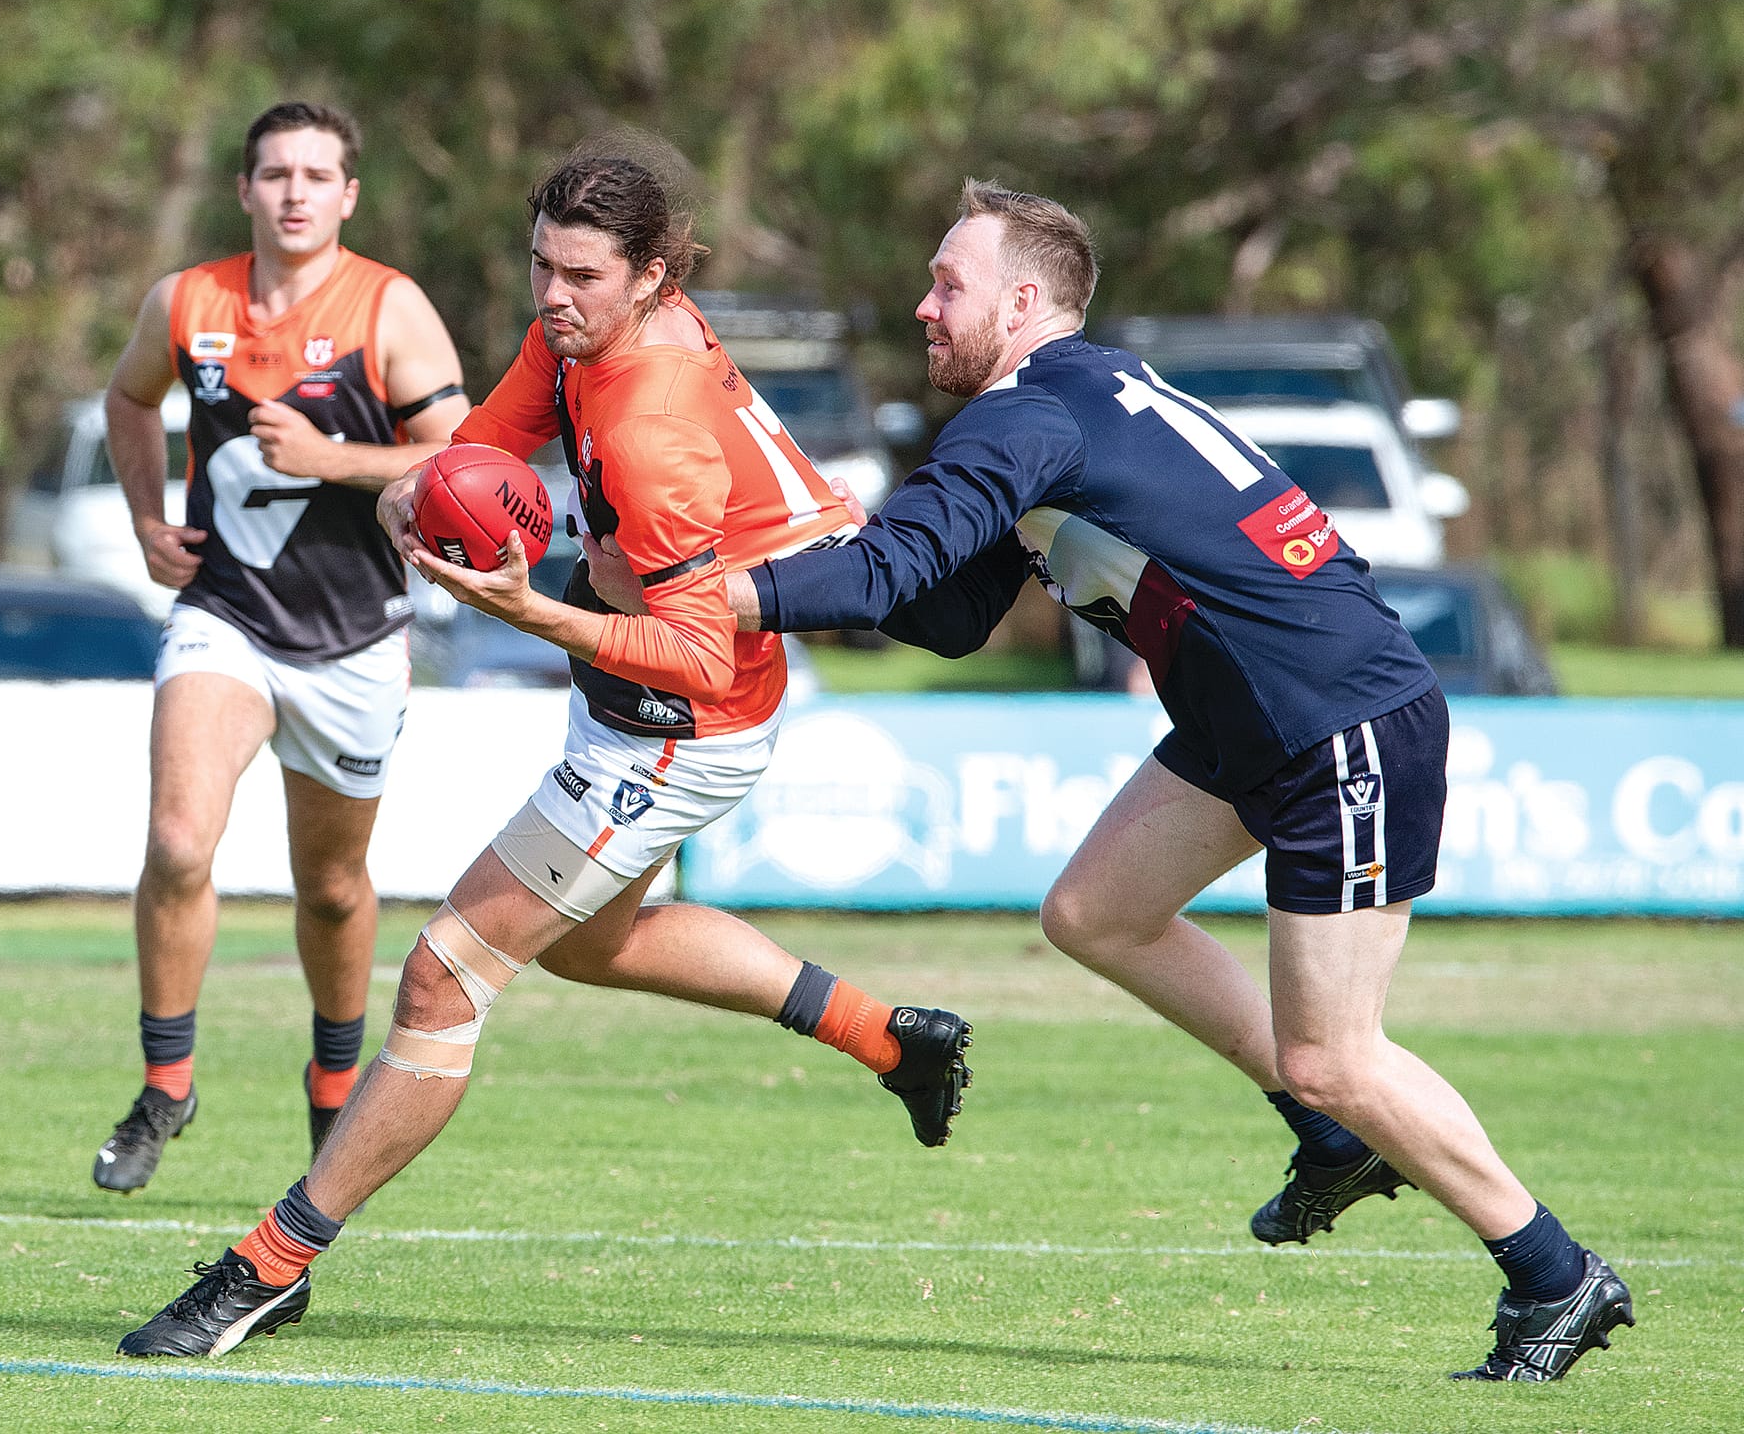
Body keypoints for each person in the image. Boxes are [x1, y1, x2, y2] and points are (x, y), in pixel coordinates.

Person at [719, 180, 1632, 1383]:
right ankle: (1330, 1137)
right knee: (1093, 912)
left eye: (949, 284)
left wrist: (701, 594)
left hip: (1330, 719)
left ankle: (1555, 1275)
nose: (922, 306)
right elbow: (941, 612)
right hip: (1254, 715)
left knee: (1337, 1052)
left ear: (1025, 299)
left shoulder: (1024, 417)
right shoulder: (1072, 398)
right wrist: (834, 553)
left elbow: (885, 576)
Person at [116, 153, 974, 1357]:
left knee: (441, 975)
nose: (554, 294)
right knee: (593, 940)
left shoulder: (649, 425)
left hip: (684, 723)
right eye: (541, 265)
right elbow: (472, 457)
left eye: (582, 275)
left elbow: (697, 657)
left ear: (654, 277)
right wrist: (415, 495)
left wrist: (530, 611)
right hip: (631, 694)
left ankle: (269, 1262)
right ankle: (891, 1039)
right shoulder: (576, 337)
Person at [89, 101, 471, 1195]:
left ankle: (332, 1083)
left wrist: (328, 452)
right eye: (274, 173)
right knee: (176, 839)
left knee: (335, 887)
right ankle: (167, 1084)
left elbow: (457, 451)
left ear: (348, 194)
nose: (295, 191)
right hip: (225, 613)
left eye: (316, 174)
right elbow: (128, 397)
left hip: (354, 638)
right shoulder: (187, 299)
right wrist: (144, 517)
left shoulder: (388, 305)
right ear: (244, 190)